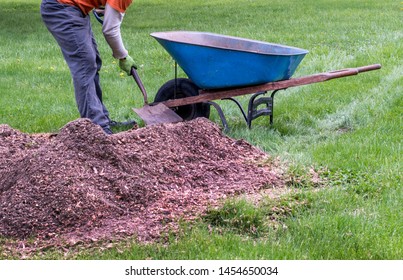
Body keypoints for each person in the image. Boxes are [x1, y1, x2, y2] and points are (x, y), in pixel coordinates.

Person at [40, 0, 136, 134]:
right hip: (61, 9)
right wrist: (123, 56)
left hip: (74, 9)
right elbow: (110, 30)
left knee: (92, 62)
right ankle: (97, 128)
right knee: (84, 65)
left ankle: (102, 120)